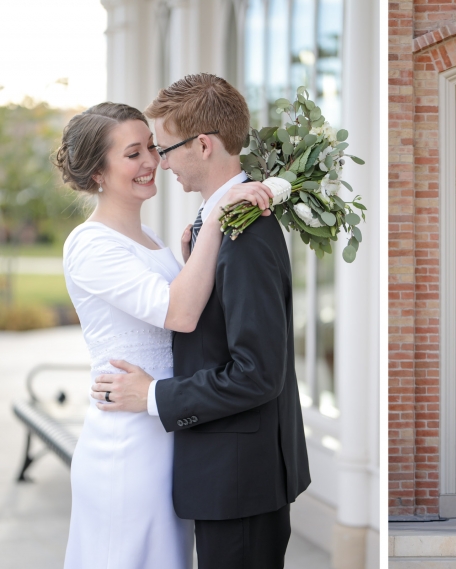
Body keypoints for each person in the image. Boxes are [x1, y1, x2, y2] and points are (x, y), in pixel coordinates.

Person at [90, 73, 311, 569]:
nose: (160, 162)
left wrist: (152, 395)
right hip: (227, 475)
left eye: (165, 148)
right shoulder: (218, 226)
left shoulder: (246, 232)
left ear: (204, 145)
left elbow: (258, 373)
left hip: (239, 481)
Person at [56, 102, 273, 568]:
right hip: (128, 442)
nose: (152, 161)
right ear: (97, 172)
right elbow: (179, 313)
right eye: (132, 153)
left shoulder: (151, 237)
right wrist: (214, 220)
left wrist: (192, 254)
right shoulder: (90, 245)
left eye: (152, 147)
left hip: (169, 425)